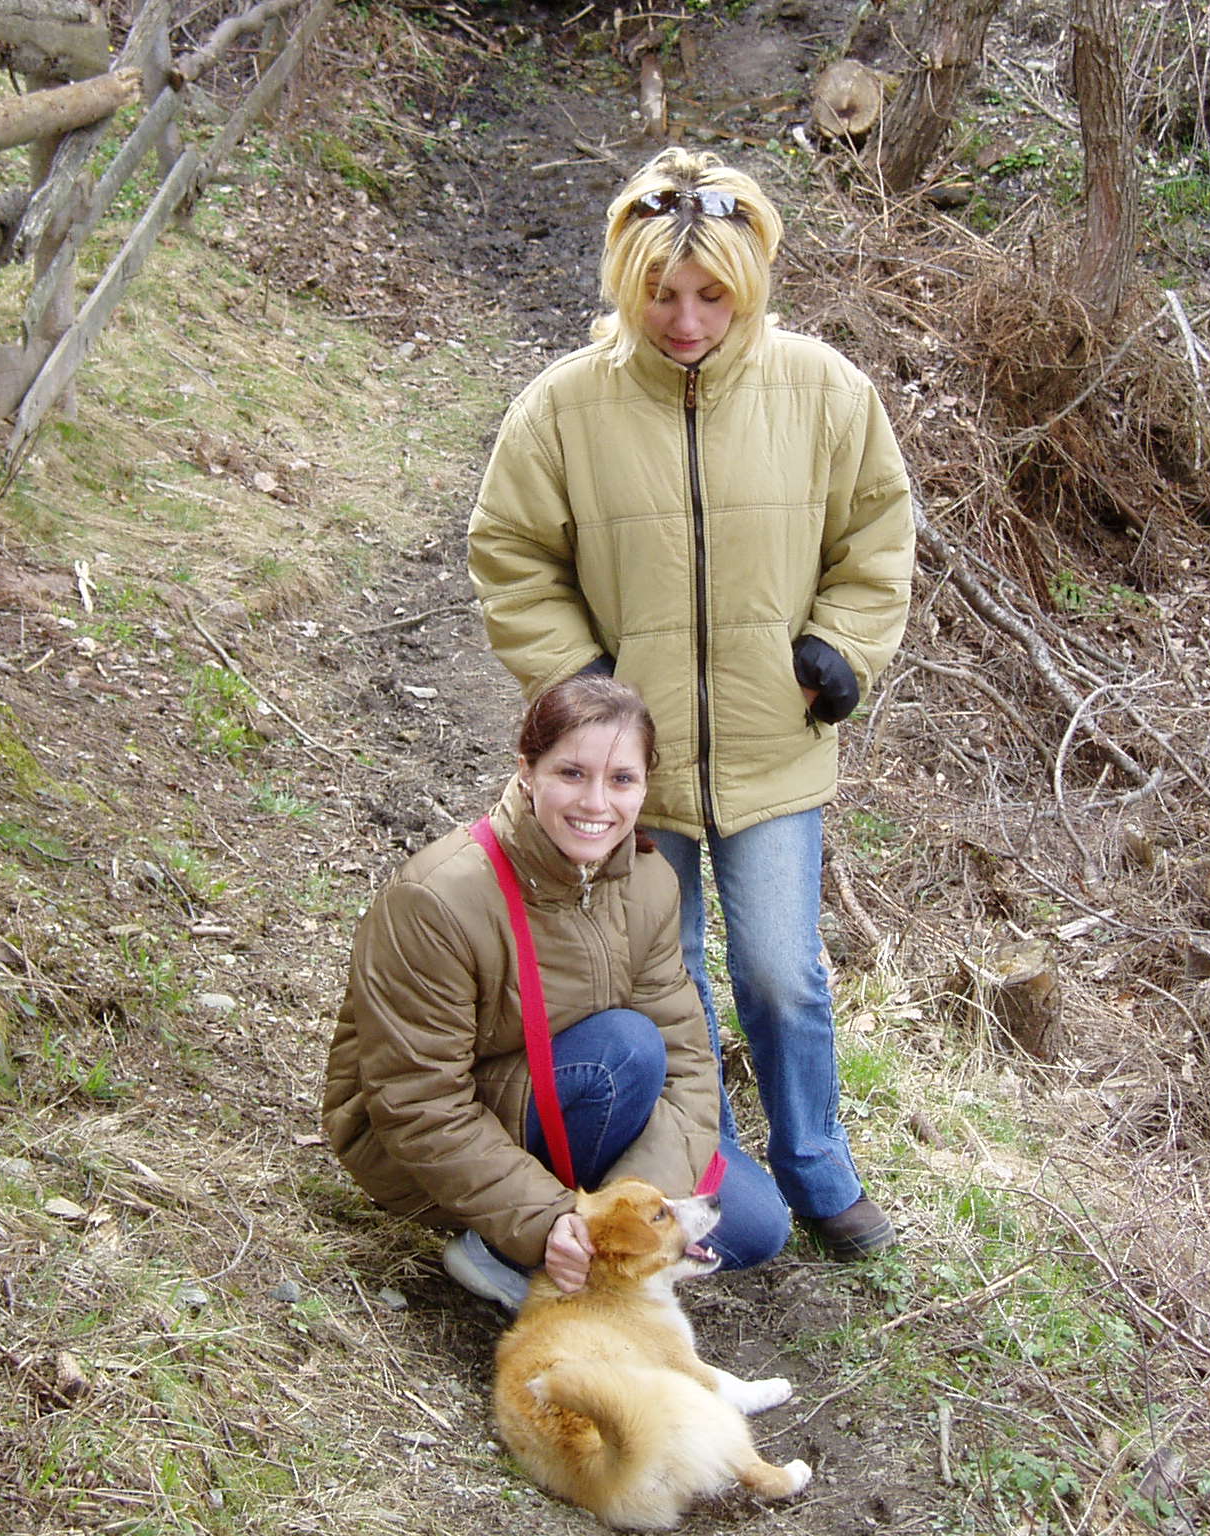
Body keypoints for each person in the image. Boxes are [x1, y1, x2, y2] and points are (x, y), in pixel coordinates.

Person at [467, 147, 915, 1259]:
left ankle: (817, 1166)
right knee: (667, 977)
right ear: (626, 283)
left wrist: (839, 649)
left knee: (781, 973)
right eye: (662, 295)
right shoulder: (562, 408)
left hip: (773, 750)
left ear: (750, 282)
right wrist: (584, 689)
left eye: (712, 295)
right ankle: (705, 1171)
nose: (685, 321)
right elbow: (512, 555)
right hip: (633, 777)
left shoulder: (824, 392)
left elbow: (876, 537)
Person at [321, 675, 790, 1311]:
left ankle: (584, 1254)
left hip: (583, 1103)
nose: (596, 802)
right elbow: (418, 1100)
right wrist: (545, 1221)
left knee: (757, 1224)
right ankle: (506, 1252)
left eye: (621, 779)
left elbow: (688, 1061)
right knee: (625, 1050)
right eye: (571, 773)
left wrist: (622, 1218)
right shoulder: (435, 899)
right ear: (527, 771)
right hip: (427, 1147)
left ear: (644, 785)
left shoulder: (648, 881)